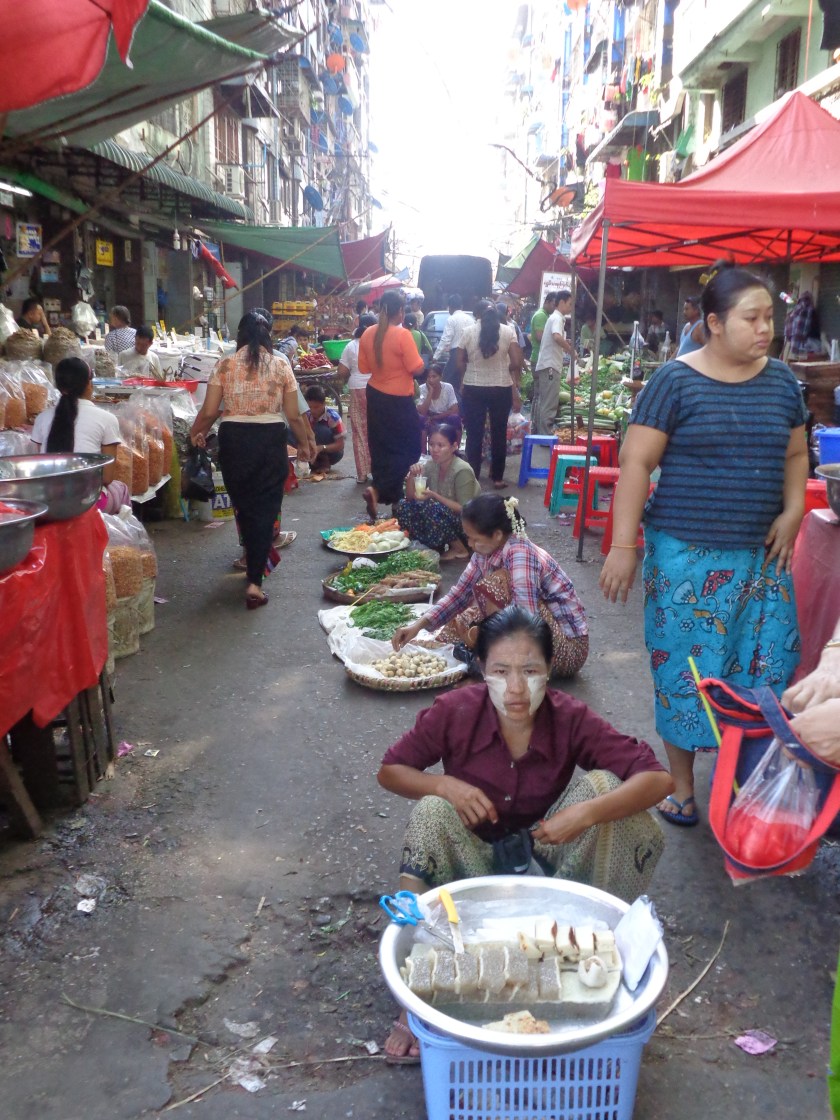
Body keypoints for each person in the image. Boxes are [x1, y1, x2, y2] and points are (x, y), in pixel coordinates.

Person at [379, 606, 672, 1062]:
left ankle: (594, 962)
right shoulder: (455, 711)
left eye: (530, 670)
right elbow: (391, 771)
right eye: (501, 671)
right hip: (471, 867)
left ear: (550, 671)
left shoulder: (570, 716)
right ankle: (411, 996)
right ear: (481, 669)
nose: (516, 688)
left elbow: (657, 781)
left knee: (607, 789)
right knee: (432, 811)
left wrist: (586, 814)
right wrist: (443, 783)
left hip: (553, 869)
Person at [600, 263, 809, 827]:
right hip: (686, 559)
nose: (766, 328)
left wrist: (793, 512)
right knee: (687, 674)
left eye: (770, 317)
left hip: (764, 558)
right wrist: (624, 546)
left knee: (765, 671)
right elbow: (637, 463)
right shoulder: (675, 381)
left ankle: (748, 782)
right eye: (752, 318)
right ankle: (683, 788)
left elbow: (795, 456)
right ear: (714, 322)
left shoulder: (784, 383)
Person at [190, 312, 311, 610]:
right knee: (266, 509)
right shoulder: (281, 363)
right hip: (270, 440)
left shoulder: (225, 364)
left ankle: (253, 571)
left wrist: (196, 433)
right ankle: (255, 581)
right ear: (268, 334)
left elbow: (209, 412)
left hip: (234, 441)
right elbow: (293, 414)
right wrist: (307, 443)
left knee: (245, 506)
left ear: (240, 336)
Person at [393, 493, 589, 677]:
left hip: (566, 649)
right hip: (535, 634)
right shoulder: (483, 554)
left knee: (495, 584)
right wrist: (418, 626)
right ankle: (496, 654)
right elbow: (459, 595)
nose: (469, 543)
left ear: (496, 535)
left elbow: (527, 616)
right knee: (464, 618)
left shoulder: (520, 553)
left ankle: (515, 665)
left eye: (474, 538)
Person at [357, 291, 425, 521]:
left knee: (382, 449)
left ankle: (383, 494)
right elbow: (416, 368)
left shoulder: (367, 333)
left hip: (375, 396)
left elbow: (364, 368)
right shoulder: (402, 335)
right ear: (400, 311)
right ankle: (385, 495)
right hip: (398, 400)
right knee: (411, 448)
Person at [30, 357, 127, 512]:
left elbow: (39, 464)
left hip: (48, 503)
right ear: (89, 384)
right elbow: (107, 478)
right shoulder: (107, 419)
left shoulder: (42, 418)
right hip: (88, 504)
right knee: (121, 488)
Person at [455, 301, 523, 488]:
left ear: (478, 315)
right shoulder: (508, 331)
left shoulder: (468, 331)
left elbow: (459, 362)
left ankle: (473, 477)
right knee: (498, 433)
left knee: (474, 434)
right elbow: (517, 362)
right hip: (500, 388)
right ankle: (498, 478)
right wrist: (501, 368)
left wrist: (466, 375)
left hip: (473, 387)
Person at [395, 423, 479, 560]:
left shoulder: (462, 470)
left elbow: (465, 509)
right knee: (404, 506)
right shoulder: (430, 465)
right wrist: (411, 476)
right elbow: (410, 498)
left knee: (430, 506)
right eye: (432, 444)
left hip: (467, 523)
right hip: (444, 519)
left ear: (454, 446)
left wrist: (434, 496)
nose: (434, 449)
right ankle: (430, 544)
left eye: (441, 445)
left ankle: (460, 548)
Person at [337, 313, 376, 483]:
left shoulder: (351, 346)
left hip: (357, 389)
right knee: (377, 431)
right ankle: (378, 471)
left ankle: (362, 473)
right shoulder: (379, 344)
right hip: (378, 389)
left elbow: (342, 372)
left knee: (360, 432)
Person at [532, 289, 575, 436]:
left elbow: (555, 338)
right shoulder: (556, 318)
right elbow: (556, 337)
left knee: (545, 401)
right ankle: (545, 435)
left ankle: (541, 432)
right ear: (561, 302)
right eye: (570, 304)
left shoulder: (554, 318)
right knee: (549, 403)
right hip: (550, 366)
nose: (571, 308)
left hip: (548, 364)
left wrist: (566, 342)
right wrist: (570, 350)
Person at [432, 294, 474, 390]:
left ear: (450, 307)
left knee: (446, 381)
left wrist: (436, 356)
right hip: (470, 354)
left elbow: (445, 339)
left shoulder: (451, 319)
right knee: (464, 381)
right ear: (461, 306)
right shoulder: (471, 319)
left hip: (456, 354)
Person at [416, 362, 460, 448]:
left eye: (434, 376)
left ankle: (455, 450)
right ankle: (423, 453)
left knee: (455, 418)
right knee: (421, 419)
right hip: (428, 419)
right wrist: (430, 392)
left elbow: (455, 410)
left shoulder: (448, 387)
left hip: (443, 417)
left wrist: (435, 417)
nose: (431, 380)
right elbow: (423, 412)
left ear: (440, 377)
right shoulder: (422, 388)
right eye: (429, 377)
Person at [303, 384, 345, 476]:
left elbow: (340, 445)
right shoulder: (306, 414)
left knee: (320, 430)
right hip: (310, 450)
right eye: (310, 407)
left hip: (332, 453)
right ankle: (312, 464)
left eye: (316, 407)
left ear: (324, 404)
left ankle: (324, 463)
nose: (313, 411)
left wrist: (321, 448)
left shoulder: (333, 418)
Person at [528, 292, 558, 371]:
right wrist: (557, 340)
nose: (554, 308)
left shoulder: (546, 315)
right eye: (553, 305)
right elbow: (540, 337)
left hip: (541, 359)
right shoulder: (541, 315)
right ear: (547, 302)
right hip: (539, 359)